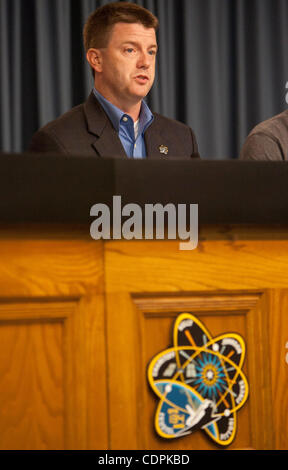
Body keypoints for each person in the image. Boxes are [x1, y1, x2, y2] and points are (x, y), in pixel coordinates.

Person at [29, 2, 199, 160]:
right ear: (96, 60)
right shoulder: (57, 141)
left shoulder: (183, 139)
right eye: (130, 50)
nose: (145, 63)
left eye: (151, 51)